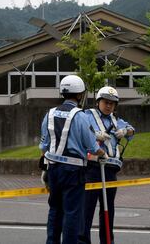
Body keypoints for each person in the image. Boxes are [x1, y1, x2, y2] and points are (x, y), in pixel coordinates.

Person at [39, 75, 107, 244]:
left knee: (54, 210)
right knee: (72, 213)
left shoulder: (49, 114)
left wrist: (44, 168)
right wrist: (102, 153)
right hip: (73, 171)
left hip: (53, 168)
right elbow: (92, 146)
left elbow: (44, 145)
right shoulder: (81, 116)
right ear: (79, 95)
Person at [80, 86, 135, 244]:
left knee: (108, 210)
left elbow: (132, 130)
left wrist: (125, 132)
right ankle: (83, 241)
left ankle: (107, 241)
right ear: (98, 102)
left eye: (112, 103)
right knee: (87, 209)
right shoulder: (87, 115)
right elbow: (80, 130)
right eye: (106, 102)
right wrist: (95, 135)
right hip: (92, 168)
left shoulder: (117, 120)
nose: (109, 105)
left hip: (110, 169)